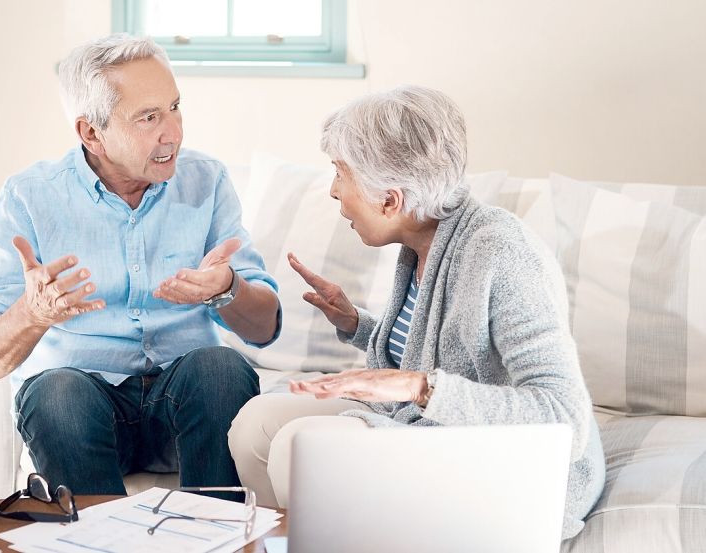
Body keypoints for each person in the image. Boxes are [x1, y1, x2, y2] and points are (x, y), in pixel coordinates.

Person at [227, 85, 604, 538]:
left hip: (505, 460)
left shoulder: (502, 254)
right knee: (255, 426)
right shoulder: (423, 242)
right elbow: (431, 351)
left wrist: (421, 388)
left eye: (340, 173)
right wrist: (357, 324)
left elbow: (564, 416)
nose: (333, 191)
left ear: (391, 199)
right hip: (429, 425)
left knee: (297, 447)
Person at [0, 34, 281, 498]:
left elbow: (264, 327)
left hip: (186, 410)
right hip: (83, 413)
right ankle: (100, 541)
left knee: (221, 367)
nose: (172, 131)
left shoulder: (207, 180)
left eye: (175, 107)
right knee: (55, 392)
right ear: (91, 133)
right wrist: (31, 315)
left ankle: (213, 537)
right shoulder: (29, 197)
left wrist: (227, 288)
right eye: (149, 117)